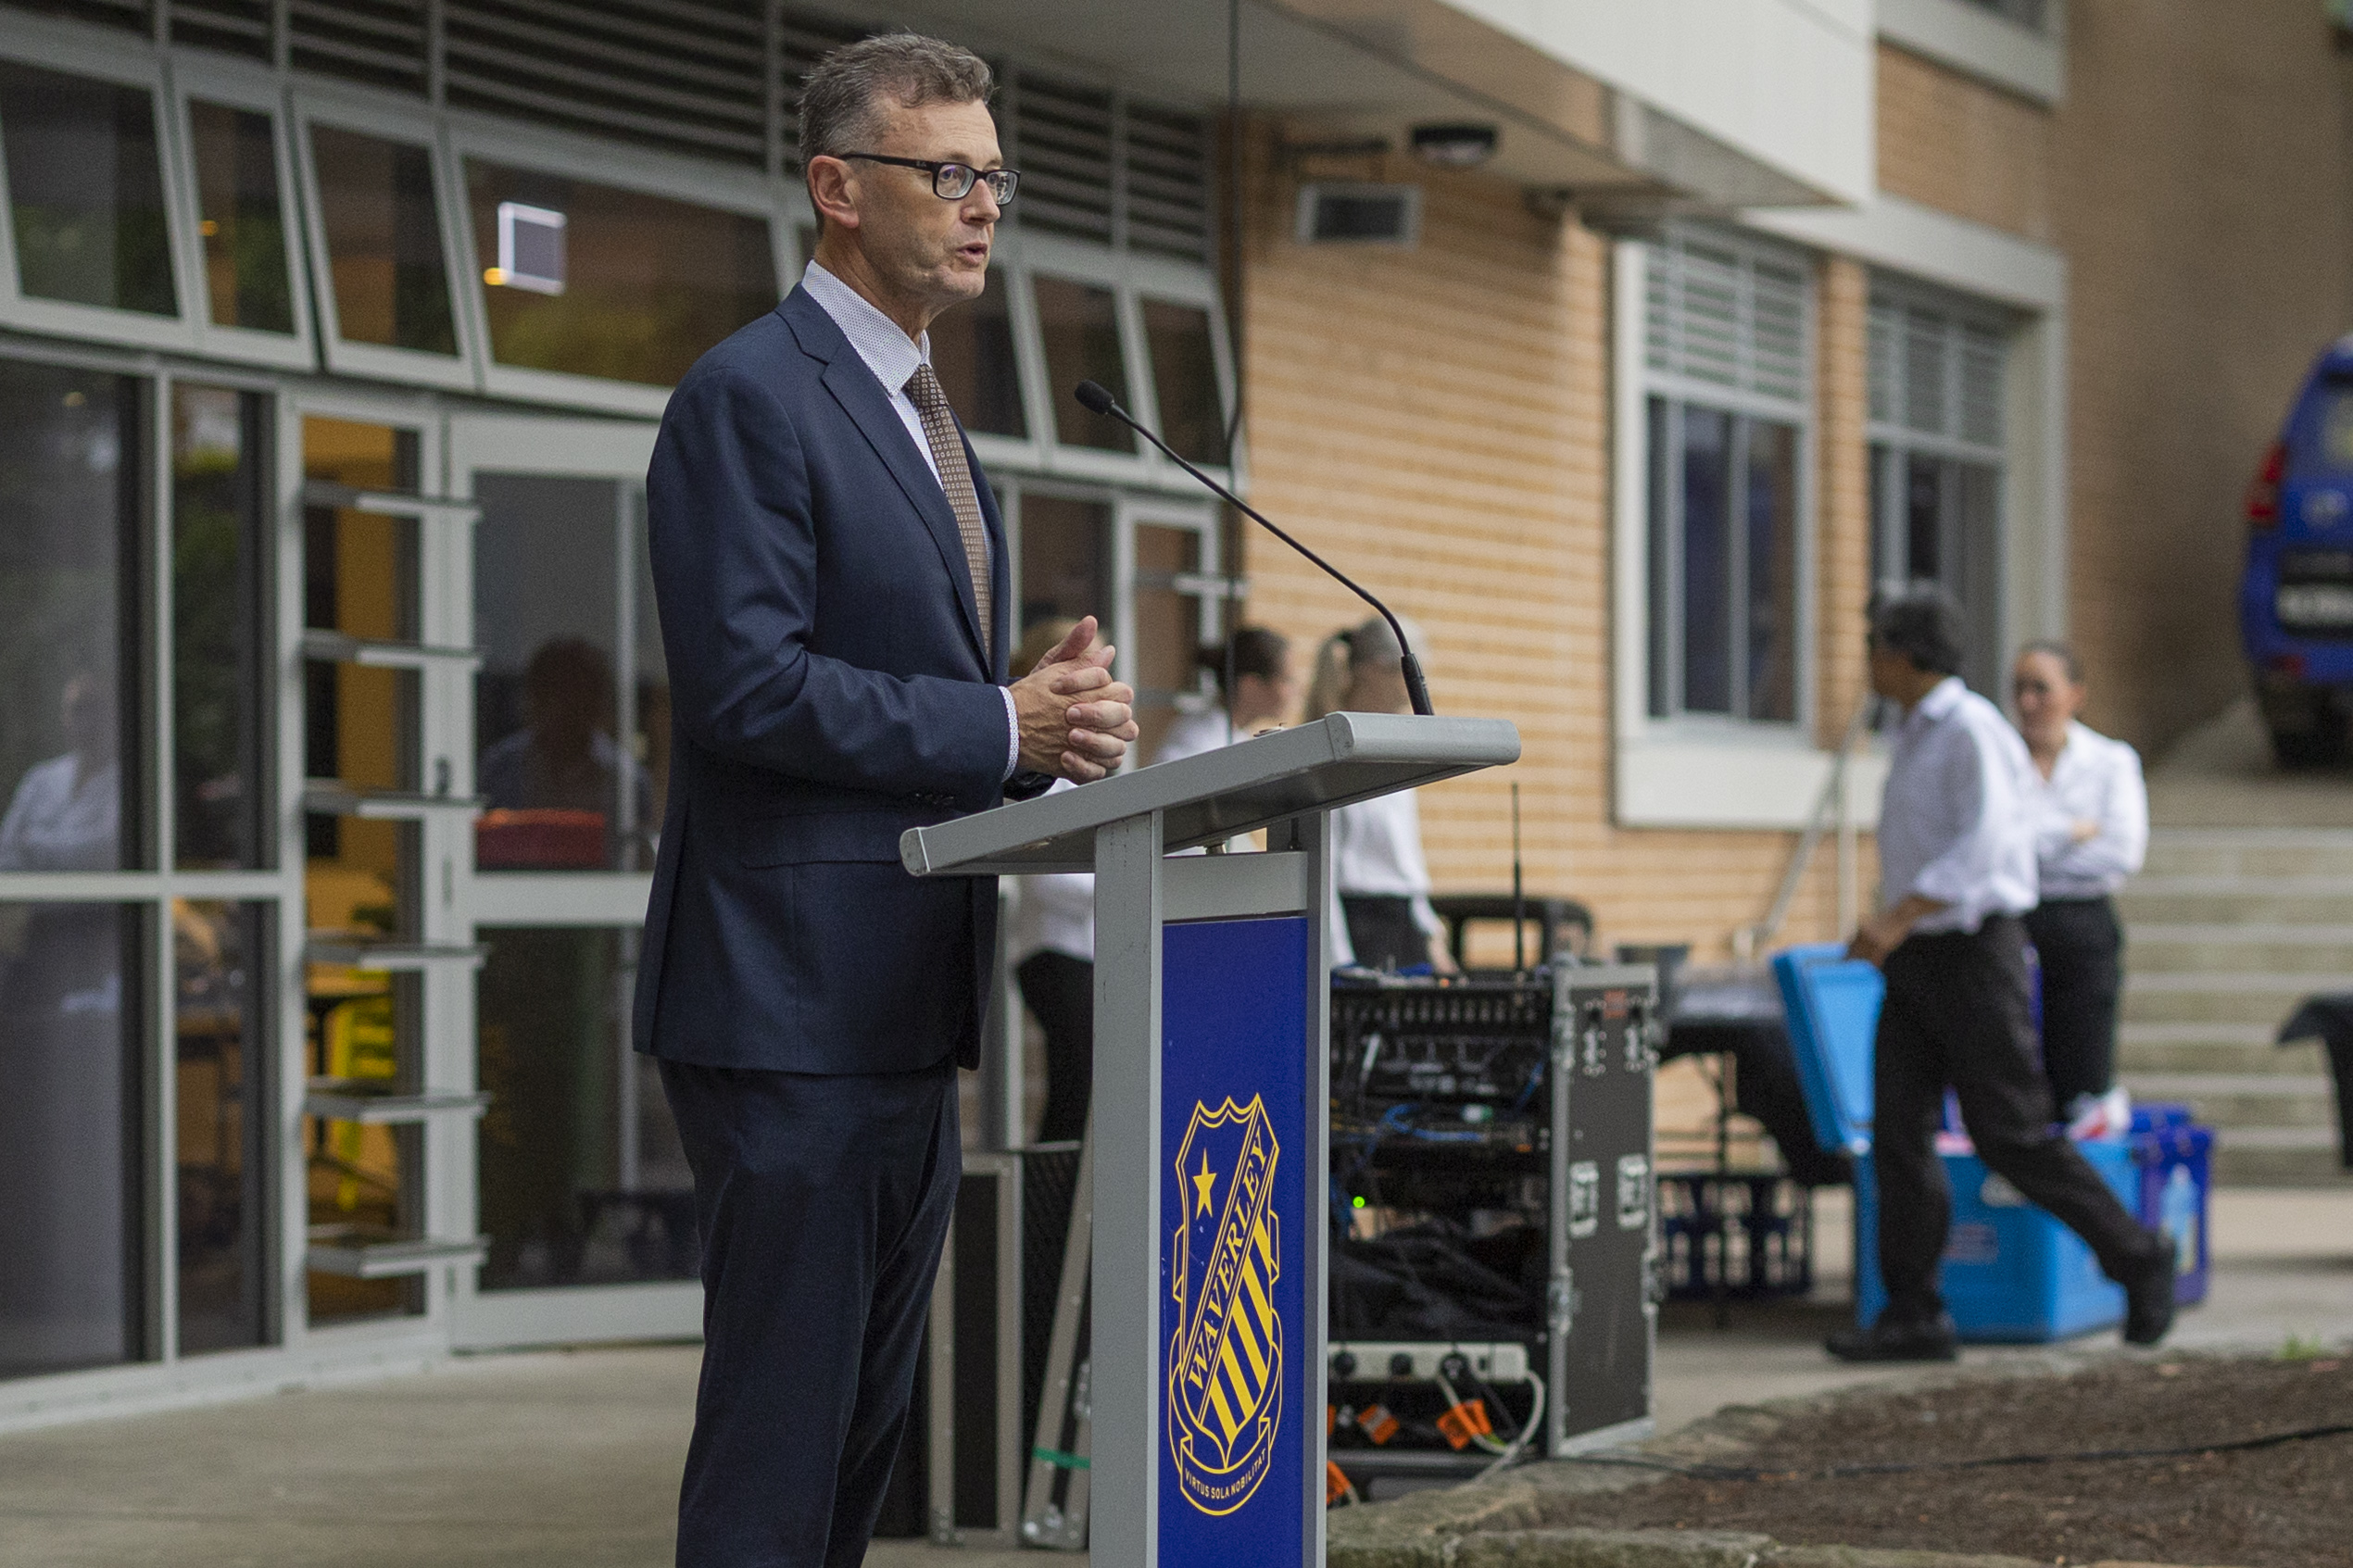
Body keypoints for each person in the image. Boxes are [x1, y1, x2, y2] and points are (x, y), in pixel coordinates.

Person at [632, 34, 1138, 1568]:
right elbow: (748, 687)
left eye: (995, 176)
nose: (984, 205)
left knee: (859, 1447)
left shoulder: (928, 411)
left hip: (905, 1004)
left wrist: (1041, 728)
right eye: (951, 174)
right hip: (786, 1004)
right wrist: (997, 717)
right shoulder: (752, 398)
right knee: (777, 1453)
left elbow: (893, 694)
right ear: (838, 188)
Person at [1830, 587, 2172, 1362]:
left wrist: (1893, 916)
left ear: (1905, 654)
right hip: (1920, 955)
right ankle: (1913, 1312)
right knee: (1899, 1132)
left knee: (2010, 1134)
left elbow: (1983, 848)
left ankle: (2136, 1253)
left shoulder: (1971, 729)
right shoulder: (1914, 730)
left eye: (1876, 648)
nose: (1868, 664)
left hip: (1973, 952)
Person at [2012, 640, 2147, 1123]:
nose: (2028, 703)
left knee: (2083, 1073)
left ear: (2075, 695)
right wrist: (2071, 832)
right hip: (2016, 920)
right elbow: (1994, 848)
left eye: (2041, 689)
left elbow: (2122, 852)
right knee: (2015, 1069)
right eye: (2020, 690)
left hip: (2084, 925)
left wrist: (2031, 842)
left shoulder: (2111, 762)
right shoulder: (2002, 761)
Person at [1305, 616, 1456, 972]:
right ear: (1373, 670)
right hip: (1359, 925)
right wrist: (1339, 960)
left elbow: (1404, 859)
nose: (1416, 688)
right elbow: (1322, 864)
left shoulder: (1394, 746)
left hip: (1403, 921)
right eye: (1408, 675)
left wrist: (1431, 931)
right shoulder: (1332, 750)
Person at [1006, 618, 1098, 1147]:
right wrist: (1119, 878)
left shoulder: (1085, 745)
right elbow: (1045, 874)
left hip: (1087, 949)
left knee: (1086, 1090)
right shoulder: (1030, 754)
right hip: (1055, 951)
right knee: (1075, 1089)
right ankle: (1047, 1221)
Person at [1151, 624, 1298, 765]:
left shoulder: (1238, 735)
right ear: (1250, 686)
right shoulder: (1196, 743)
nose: (1296, 691)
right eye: (1287, 680)